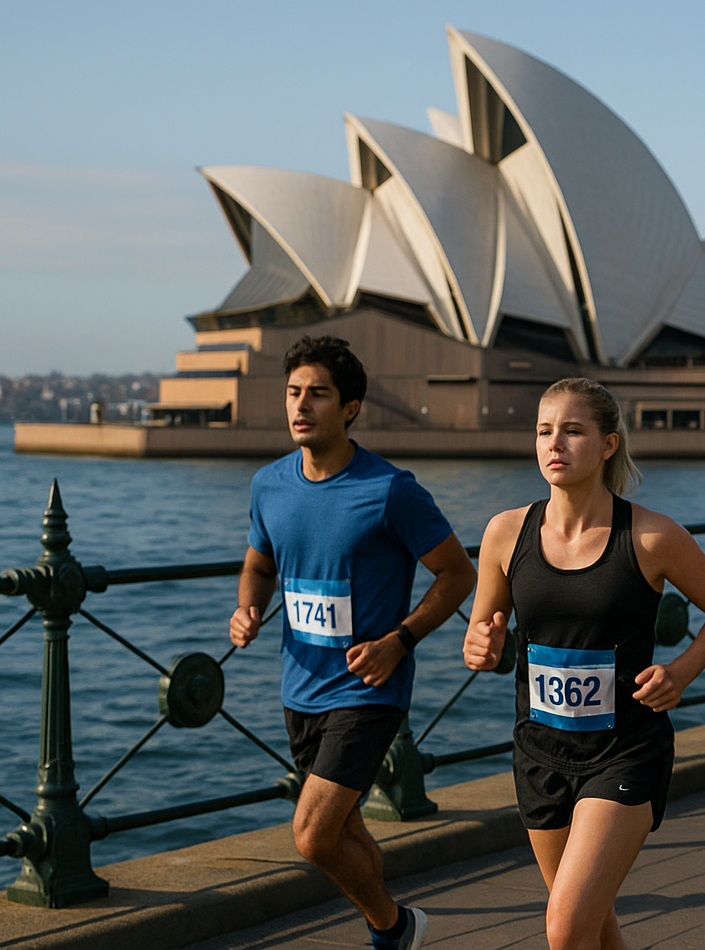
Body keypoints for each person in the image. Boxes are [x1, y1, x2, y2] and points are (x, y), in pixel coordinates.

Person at [463, 377, 705, 950]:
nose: (554, 444)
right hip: (539, 750)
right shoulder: (503, 533)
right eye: (544, 431)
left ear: (608, 444)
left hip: (624, 751)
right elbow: (482, 626)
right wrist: (480, 646)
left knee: (565, 930)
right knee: (593, 927)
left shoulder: (650, 535)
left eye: (572, 430)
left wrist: (680, 672)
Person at [229, 335, 475, 950]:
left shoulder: (391, 490)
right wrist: (247, 609)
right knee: (343, 831)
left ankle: (391, 929)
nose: (301, 405)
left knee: (312, 835)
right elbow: (259, 564)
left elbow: (458, 573)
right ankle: (395, 925)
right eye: (293, 392)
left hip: (369, 688)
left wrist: (401, 639)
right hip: (300, 686)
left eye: (318, 394)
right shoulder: (269, 485)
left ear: (352, 407)